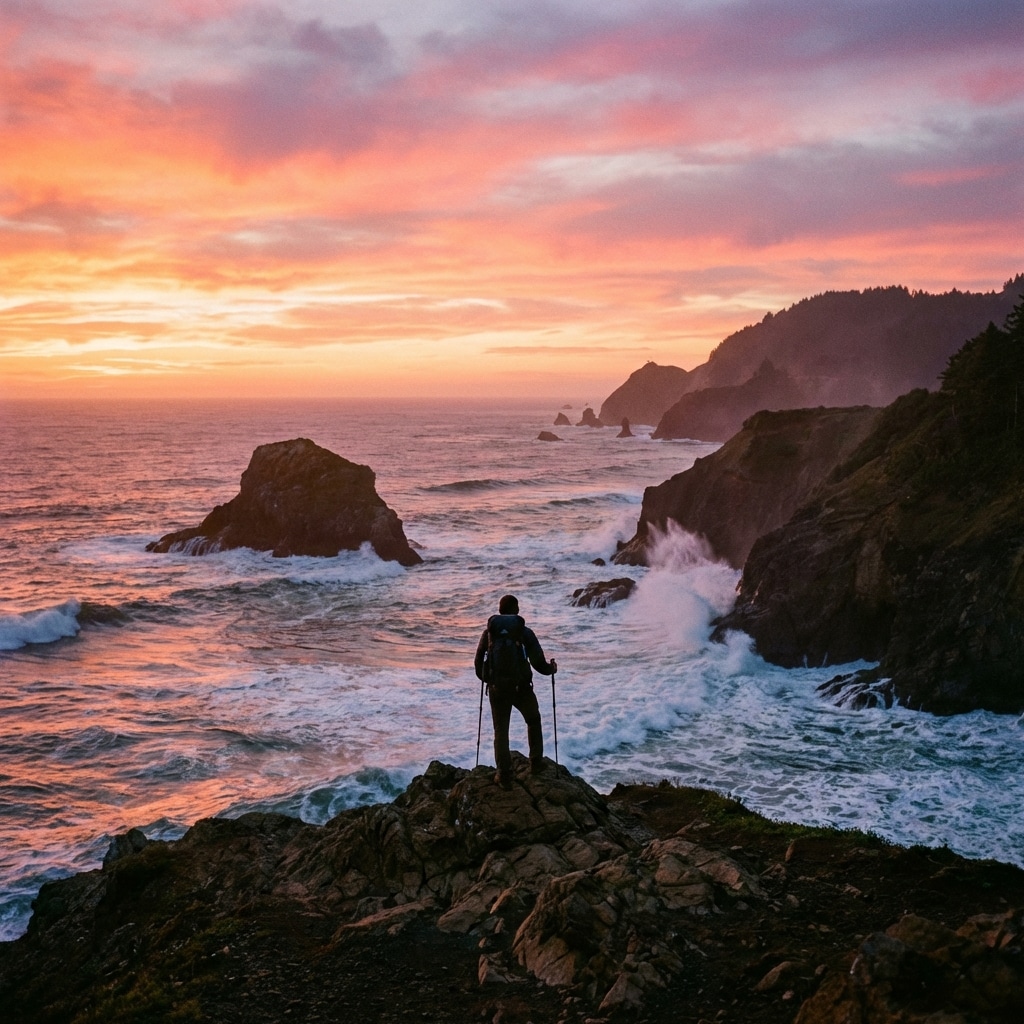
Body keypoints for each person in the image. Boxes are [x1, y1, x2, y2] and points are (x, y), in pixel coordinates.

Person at [474, 594, 557, 789]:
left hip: (497, 690)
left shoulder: (489, 633)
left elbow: (478, 663)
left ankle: (504, 776)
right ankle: (536, 763)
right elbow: (537, 661)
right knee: (533, 720)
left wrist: (490, 680)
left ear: (500, 610)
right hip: (521, 689)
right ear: (516, 610)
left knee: (501, 732)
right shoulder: (524, 632)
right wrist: (551, 669)